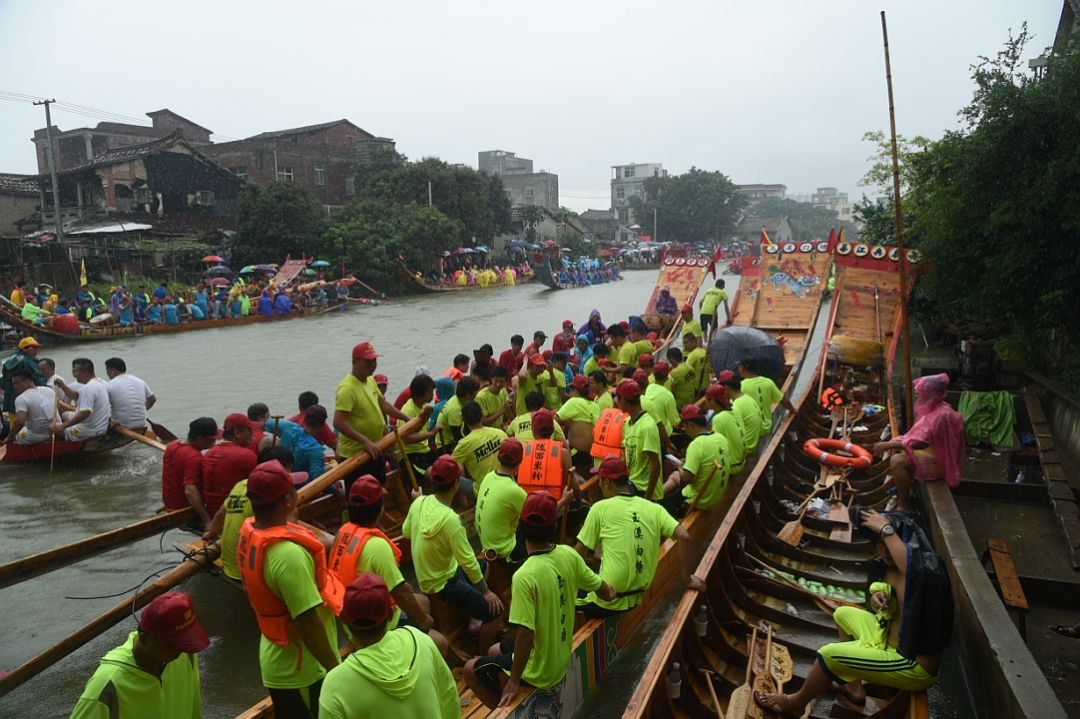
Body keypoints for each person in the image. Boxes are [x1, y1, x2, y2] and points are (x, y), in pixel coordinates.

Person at [755, 508, 952, 716]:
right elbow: (889, 597)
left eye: (889, 545)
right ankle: (852, 686)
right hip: (886, 640)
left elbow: (915, 571)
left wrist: (886, 529)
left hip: (911, 664)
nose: (884, 551)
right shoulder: (891, 568)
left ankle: (795, 704)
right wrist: (878, 599)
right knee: (842, 614)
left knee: (829, 655)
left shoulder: (926, 571)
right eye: (880, 544)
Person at [464, 492, 616, 709]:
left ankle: (503, 709)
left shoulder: (524, 576)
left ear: (520, 526)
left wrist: (514, 680)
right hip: (559, 658)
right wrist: (613, 593)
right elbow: (605, 591)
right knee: (494, 651)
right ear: (553, 528)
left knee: (470, 669)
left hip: (540, 671)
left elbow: (526, 635)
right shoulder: (569, 554)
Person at [238, 460, 344, 719]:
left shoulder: (254, 529)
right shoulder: (288, 556)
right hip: (302, 668)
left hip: (281, 658)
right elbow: (308, 623)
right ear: (288, 500)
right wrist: (336, 671)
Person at [577, 455, 705, 616]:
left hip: (609, 601)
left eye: (600, 480)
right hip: (637, 596)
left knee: (561, 590)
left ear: (606, 482)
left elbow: (575, 556)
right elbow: (684, 537)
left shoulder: (599, 508)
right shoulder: (653, 508)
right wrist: (687, 579)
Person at [318, 574, 459, 719]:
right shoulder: (421, 640)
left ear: (343, 619)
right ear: (391, 614)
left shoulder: (334, 685)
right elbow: (449, 697)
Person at [402, 455, 504, 652]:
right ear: (457, 483)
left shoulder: (419, 503)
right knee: (495, 613)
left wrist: (416, 503)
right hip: (444, 583)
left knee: (485, 565)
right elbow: (467, 561)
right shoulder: (451, 520)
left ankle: (473, 621)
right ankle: (483, 655)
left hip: (431, 576)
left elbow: (406, 531)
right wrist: (485, 592)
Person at [328, 475, 443, 649]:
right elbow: (400, 593)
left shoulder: (343, 532)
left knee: (425, 602)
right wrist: (424, 620)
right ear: (380, 508)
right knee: (441, 643)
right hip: (379, 625)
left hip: (351, 619)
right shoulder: (377, 546)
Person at [69, 592, 209, 719]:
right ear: (143, 639)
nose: (178, 653)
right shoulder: (107, 686)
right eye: (171, 646)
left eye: (185, 644)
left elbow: (193, 706)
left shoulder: (185, 654)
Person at [871, 374, 965, 513]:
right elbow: (917, 436)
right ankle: (906, 490)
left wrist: (888, 445)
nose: (917, 397)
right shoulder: (940, 408)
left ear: (929, 394)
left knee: (897, 461)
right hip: (940, 454)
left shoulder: (939, 416)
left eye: (919, 394)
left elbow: (920, 442)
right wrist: (897, 440)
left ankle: (904, 503)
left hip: (942, 463)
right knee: (900, 450)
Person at [334, 342, 411, 488]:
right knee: (361, 494)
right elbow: (338, 422)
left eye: (374, 361)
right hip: (356, 454)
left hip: (376, 447)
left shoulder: (370, 380)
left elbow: (383, 404)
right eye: (368, 362)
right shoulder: (347, 388)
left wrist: (405, 417)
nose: (373, 365)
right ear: (355, 362)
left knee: (378, 487)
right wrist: (365, 441)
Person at [662, 405, 732, 515]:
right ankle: (656, 495)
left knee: (662, 505)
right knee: (675, 476)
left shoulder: (696, 444)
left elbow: (686, 479)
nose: (685, 431)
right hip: (716, 494)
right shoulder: (720, 437)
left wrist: (679, 466)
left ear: (691, 425)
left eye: (685, 427)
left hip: (700, 500)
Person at [474, 438, 528, 567]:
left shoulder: (489, 476)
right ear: (520, 461)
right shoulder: (513, 490)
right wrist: (564, 500)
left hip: (485, 541)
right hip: (502, 549)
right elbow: (538, 514)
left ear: (499, 458)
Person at [161, 417, 218, 523]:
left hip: (169, 504)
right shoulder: (194, 458)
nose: (214, 444)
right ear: (200, 439)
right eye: (212, 440)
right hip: (183, 509)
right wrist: (206, 520)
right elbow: (190, 491)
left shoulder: (172, 446)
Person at [200, 413, 257, 517]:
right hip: (233, 511)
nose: (252, 434)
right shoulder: (246, 455)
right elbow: (257, 488)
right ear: (238, 433)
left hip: (211, 511)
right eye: (250, 430)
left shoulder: (208, 453)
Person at [616, 379, 663, 500]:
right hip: (632, 482)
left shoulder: (647, 426)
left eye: (618, 398)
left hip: (645, 489)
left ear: (624, 400)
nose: (616, 402)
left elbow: (656, 464)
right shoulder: (627, 423)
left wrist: (648, 496)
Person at [518, 409, 574, 502]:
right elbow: (571, 483)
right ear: (552, 430)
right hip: (554, 505)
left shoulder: (522, 451)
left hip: (527, 504)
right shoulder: (563, 453)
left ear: (533, 431)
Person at [452, 400, 507, 489]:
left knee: (454, 479)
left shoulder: (464, 444)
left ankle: (464, 503)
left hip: (482, 490)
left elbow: (451, 467)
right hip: (505, 483)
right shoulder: (500, 433)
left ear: (463, 420)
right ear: (481, 416)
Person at [52, 358, 111, 441]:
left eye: (76, 372)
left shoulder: (87, 388)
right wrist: (62, 385)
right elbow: (76, 396)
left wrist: (63, 426)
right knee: (65, 415)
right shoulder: (99, 383)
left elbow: (84, 413)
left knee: (51, 426)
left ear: (86, 373)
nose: (74, 375)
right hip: (101, 427)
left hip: (88, 431)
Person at [738, 357, 796, 437]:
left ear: (743, 368)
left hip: (751, 431)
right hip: (767, 428)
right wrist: (793, 410)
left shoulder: (741, 387)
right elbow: (784, 400)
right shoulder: (768, 382)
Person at [103, 357, 156, 431]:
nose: (107, 374)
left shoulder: (109, 385)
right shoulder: (140, 381)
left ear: (113, 370)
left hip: (122, 426)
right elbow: (152, 399)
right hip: (141, 424)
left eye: (107, 371)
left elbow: (100, 406)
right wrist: (143, 410)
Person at [704, 382, 747, 472]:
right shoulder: (735, 408)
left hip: (733, 467)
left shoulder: (718, 419)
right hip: (742, 461)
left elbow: (716, 447)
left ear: (712, 400)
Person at [718, 371, 763, 455]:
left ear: (726, 387)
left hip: (746, 450)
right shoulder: (746, 398)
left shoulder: (736, 406)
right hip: (753, 445)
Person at [5, 369, 54, 445]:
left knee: (15, 437)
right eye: (13, 384)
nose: (14, 386)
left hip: (37, 435)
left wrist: (9, 437)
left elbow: (19, 422)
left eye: (17, 383)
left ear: (27, 381)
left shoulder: (21, 398)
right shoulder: (49, 390)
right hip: (55, 431)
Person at [2, 336, 46, 416]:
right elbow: (39, 379)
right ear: (24, 349)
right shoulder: (28, 361)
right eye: (34, 348)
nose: (37, 350)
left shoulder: (10, 360)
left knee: (14, 425)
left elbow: (3, 383)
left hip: (10, 402)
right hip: (26, 402)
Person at [436, 375, 480, 452]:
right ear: (468, 394)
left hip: (457, 436)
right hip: (447, 445)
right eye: (474, 395)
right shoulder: (455, 409)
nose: (475, 398)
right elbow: (458, 437)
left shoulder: (459, 400)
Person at [698, 279, 730, 343]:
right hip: (712, 312)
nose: (724, 287)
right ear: (722, 285)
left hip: (703, 312)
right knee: (714, 329)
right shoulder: (722, 293)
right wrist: (729, 318)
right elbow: (726, 307)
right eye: (724, 285)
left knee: (704, 330)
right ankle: (712, 343)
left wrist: (701, 310)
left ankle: (705, 343)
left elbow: (700, 302)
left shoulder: (708, 290)